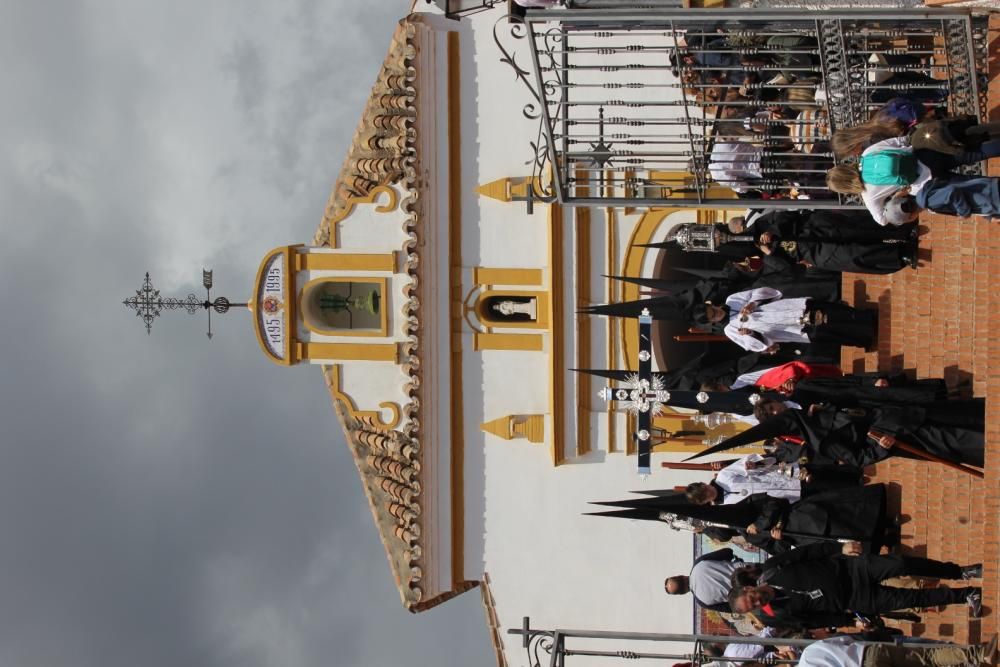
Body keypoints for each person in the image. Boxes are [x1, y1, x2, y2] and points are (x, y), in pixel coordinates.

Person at [728, 541, 983, 630]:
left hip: (850, 569)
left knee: (902, 564)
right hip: (855, 601)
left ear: (749, 589)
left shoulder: (775, 567)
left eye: (753, 598)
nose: (759, 603)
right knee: (912, 600)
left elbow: (810, 552)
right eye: (754, 606)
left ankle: (960, 572)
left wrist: (840, 548)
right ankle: (966, 595)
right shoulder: (775, 615)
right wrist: (850, 623)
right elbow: (811, 621)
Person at [751, 398, 985, 469]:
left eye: (774, 407)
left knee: (966, 417)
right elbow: (858, 458)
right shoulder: (819, 441)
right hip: (900, 437)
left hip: (899, 412)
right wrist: (881, 446)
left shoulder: (814, 409)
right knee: (965, 440)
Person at [684, 482, 888, 555]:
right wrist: (778, 539)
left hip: (804, 514)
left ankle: (886, 521)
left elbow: (774, 502)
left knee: (852, 516)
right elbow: (776, 550)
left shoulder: (747, 505)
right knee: (849, 535)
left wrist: (760, 523)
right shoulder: (750, 538)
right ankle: (885, 537)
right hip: (805, 536)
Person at [692, 287, 877, 353]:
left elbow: (761, 291)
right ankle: (863, 338)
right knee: (828, 331)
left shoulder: (732, 300)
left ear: (712, 304)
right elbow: (753, 346)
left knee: (830, 311)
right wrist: (749, 334)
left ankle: (864, 316)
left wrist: (754, 303)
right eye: (713, 317)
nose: (717, 313)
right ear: (712, 323)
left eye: (713, 310)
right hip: (786, 329)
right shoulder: (729, 331)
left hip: (788, 309)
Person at [745, 208, 918, 274]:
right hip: (813, 253)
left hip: (812, 228)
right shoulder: (763, 256)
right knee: (854, 256)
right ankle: (900, 254)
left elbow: (787, 214)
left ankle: (903, 230)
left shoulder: (762, 224)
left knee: (858, 229)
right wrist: (769, 252)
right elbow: (787, 268)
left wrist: (772, 231)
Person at [796, 634, 997, 667]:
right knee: (928, 657)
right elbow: (845, 639)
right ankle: (978, 654)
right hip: (867, 653)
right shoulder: (808, 653)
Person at [883, 174, 1000, 222]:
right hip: (988, 191)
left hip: (992, 198)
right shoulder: (924, 194)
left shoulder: (928, 201)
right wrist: (988, 216)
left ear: (911, 217)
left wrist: (964, 212)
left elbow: (952, 191)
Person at [664, 547, 746, 613]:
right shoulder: (699, 563)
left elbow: (731, 608)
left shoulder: (702, 602)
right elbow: (727, 552)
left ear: (683, 593)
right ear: (682, 576)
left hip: (748, 594)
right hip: (750, 571)